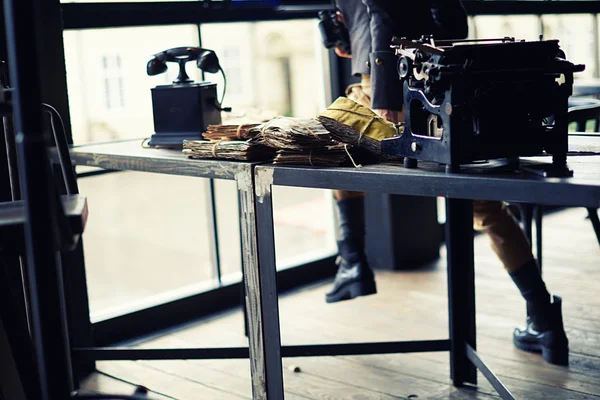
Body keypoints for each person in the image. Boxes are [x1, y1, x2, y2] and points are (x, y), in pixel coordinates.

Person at [324, 0, 569, 366]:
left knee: (334, 143)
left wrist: (386, 95)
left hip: (388, 81)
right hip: (439, 76)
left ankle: (352, 261)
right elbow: (452, 21)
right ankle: (544, 317)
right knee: (483, 206)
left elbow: (381, 11)